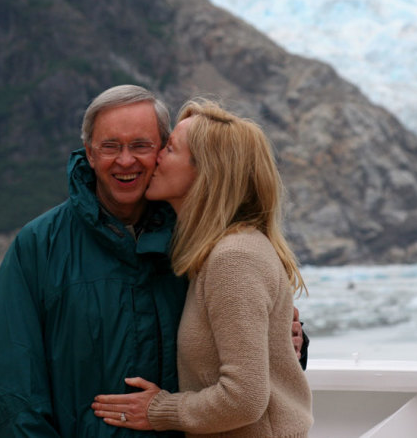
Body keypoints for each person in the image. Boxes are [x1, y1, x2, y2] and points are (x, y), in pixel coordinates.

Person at [0, 86, 308, 437]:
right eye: (110, 146)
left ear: (160, 150)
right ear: (90, 153)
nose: (125, 160)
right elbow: (1, 377)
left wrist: (285, 342)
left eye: (141, 145)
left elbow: (243, 367)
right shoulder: (41, 244)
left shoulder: (201, 243)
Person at [92, 100, 314, 437]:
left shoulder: (233, 259)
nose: (157, 158)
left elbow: (245, 398)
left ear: (205, 170)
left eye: (170, 149)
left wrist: (160, 410)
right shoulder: (216, 253)